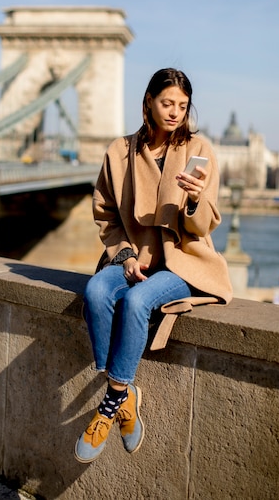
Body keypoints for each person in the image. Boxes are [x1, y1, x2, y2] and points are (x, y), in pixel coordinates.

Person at [74, 68, 233, 464]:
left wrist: (195, 200)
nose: (175, 112)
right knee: (95, 291)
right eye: (167, 103)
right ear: (148, 101)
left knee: (137, 302)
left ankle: (110, 404)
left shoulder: (201, 149)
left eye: (183, 105)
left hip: (183, 264)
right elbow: (105, 214)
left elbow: (206, 223)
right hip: (136, 257)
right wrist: (124, 255)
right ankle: (126, 395)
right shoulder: (119, 151)